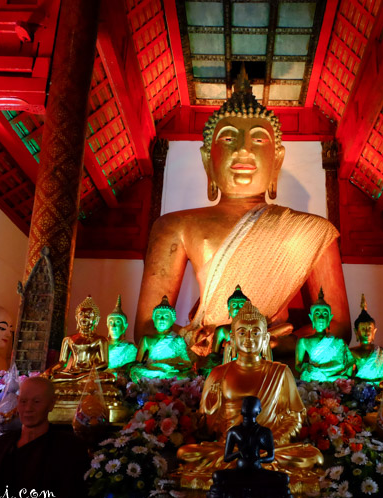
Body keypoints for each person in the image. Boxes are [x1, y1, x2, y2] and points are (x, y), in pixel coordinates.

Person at [135, 68, 350, 356]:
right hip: (210, 354)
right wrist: (197, 340)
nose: (243, 149)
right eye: (228, 139)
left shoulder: (313, 231)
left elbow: (337, 327)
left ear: (277, 160)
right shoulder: (175, 226)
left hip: (275, 356)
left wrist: (283, 344)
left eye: (258, 139)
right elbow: (148, 328)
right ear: (207, 161)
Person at [177, 301, 322, 490]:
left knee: (313, 455)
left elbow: (294, 417)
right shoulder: (218, 373)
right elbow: (206, 425)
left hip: (269, 448)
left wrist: (271, 442)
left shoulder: (280, 372)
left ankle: (241, 469)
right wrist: (212, 409)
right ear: (232, 338)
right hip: (228, 448)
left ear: (265, 338)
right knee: (186, 453)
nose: (249, 338)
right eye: (242, 332)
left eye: (255, 333)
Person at [44, 296, 111, 382]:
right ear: (76, 318)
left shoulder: (101, 340)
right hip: (72, 372)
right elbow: (62, 362)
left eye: (88, 315)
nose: (84, 318)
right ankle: (77, 379)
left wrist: (86, 371)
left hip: (89, 373)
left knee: (109, 377)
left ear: (96, 320)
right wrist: (50, 370)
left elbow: (104, 363)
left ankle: (77, 379)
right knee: (53, 378)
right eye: (81, 315)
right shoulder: (68, 339)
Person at [130, 296, 193, 383]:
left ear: (173, 320)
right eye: (158, 316)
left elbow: (188, 363)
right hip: (153, 371)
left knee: (188, 375)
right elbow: (138, 363)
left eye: (166, 316)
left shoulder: (178, 340)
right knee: (136, 370)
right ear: (153, 319)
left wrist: (172, 366)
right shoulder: (146, 339)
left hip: (170, 372)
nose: (162, 319)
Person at [295, 288, 353, 382]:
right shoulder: (303, 341)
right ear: (311, 318)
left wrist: (321, 369)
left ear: (329, 318)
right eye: (317, 313)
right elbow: (298, 365)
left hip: (334, 379)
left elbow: (345, 364)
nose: (321, 317)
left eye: (325, 314)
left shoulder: (338, 342)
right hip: (314, 379)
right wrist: (306, 367)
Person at [349, 294, 383, 382]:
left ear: (374, 331)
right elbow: (349, 376)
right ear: (356, 332)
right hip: (361, 390)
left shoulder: (381, 352)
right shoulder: (352, 352)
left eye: (369, 328)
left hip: (379, 388)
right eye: (363, 329)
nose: (367, 332)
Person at [105, 294, 137, 374]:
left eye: (118, 322)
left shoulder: (130, 348)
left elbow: (128, 369)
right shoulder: (102, 345)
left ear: (124, 327)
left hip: (120, 379)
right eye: (111, 323)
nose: (113, 326)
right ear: (107, 326)